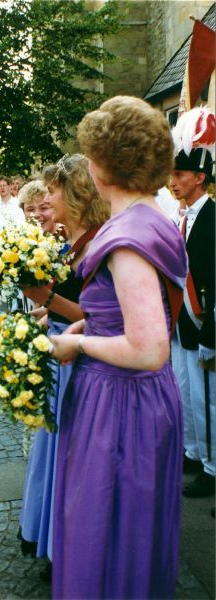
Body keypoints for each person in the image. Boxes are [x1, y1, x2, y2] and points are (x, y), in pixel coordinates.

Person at [49, 96, 188, 599]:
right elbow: (134, 312)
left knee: (105, 531)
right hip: (140, 398)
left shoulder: (127, 237)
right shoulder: (153, 218)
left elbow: (149, 349)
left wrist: (79, 344)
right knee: (132, 529)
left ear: (103, 165)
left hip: (120, 404)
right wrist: (88, 321)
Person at [18, 155, 110, 582]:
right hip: (61, 349)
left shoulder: (96, 244)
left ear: (75, 195)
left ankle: (67, 548)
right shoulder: (71, 241)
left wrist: (45, 299)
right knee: (54, 451)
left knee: (72, 458)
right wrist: (38, 319)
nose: (46, 200)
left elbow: (97, 316)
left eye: (53, 192)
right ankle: (50, 536)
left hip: (81, 362)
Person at [170, 106, 215, 498]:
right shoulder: (182, 217)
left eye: (180, 174)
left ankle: (213, 466)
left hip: (204, 325)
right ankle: (194, 451)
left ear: (199, 177)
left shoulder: (213, 218)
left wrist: (211, 333)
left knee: (208, 400)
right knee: (186, 393)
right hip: (182, 324)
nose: (172, 181)